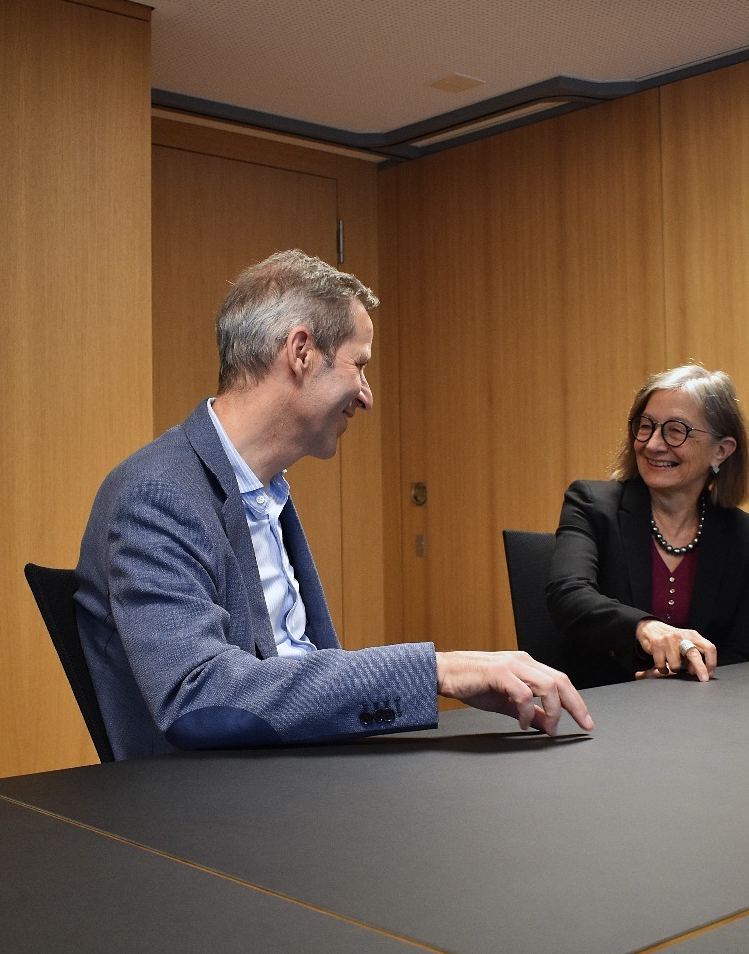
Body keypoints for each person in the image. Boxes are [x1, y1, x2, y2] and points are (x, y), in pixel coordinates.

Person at [76, 250, 592, 758]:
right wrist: (438, 670)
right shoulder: (156, 494)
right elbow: (197, 697)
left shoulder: (263, 488)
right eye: (359, 365)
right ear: (301, 352)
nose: (366, 396)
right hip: (209, 809)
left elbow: (293, 661)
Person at [546, 364, 749, 688]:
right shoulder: (592, 504)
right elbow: (568, 595)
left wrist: (673, 677)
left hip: (700, 720)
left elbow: (745, 654)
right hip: (600, 710)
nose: (652, 444)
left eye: (676, 430)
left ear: (720, 451)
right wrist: (646, 628)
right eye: (646, 426)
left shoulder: (743, 535)